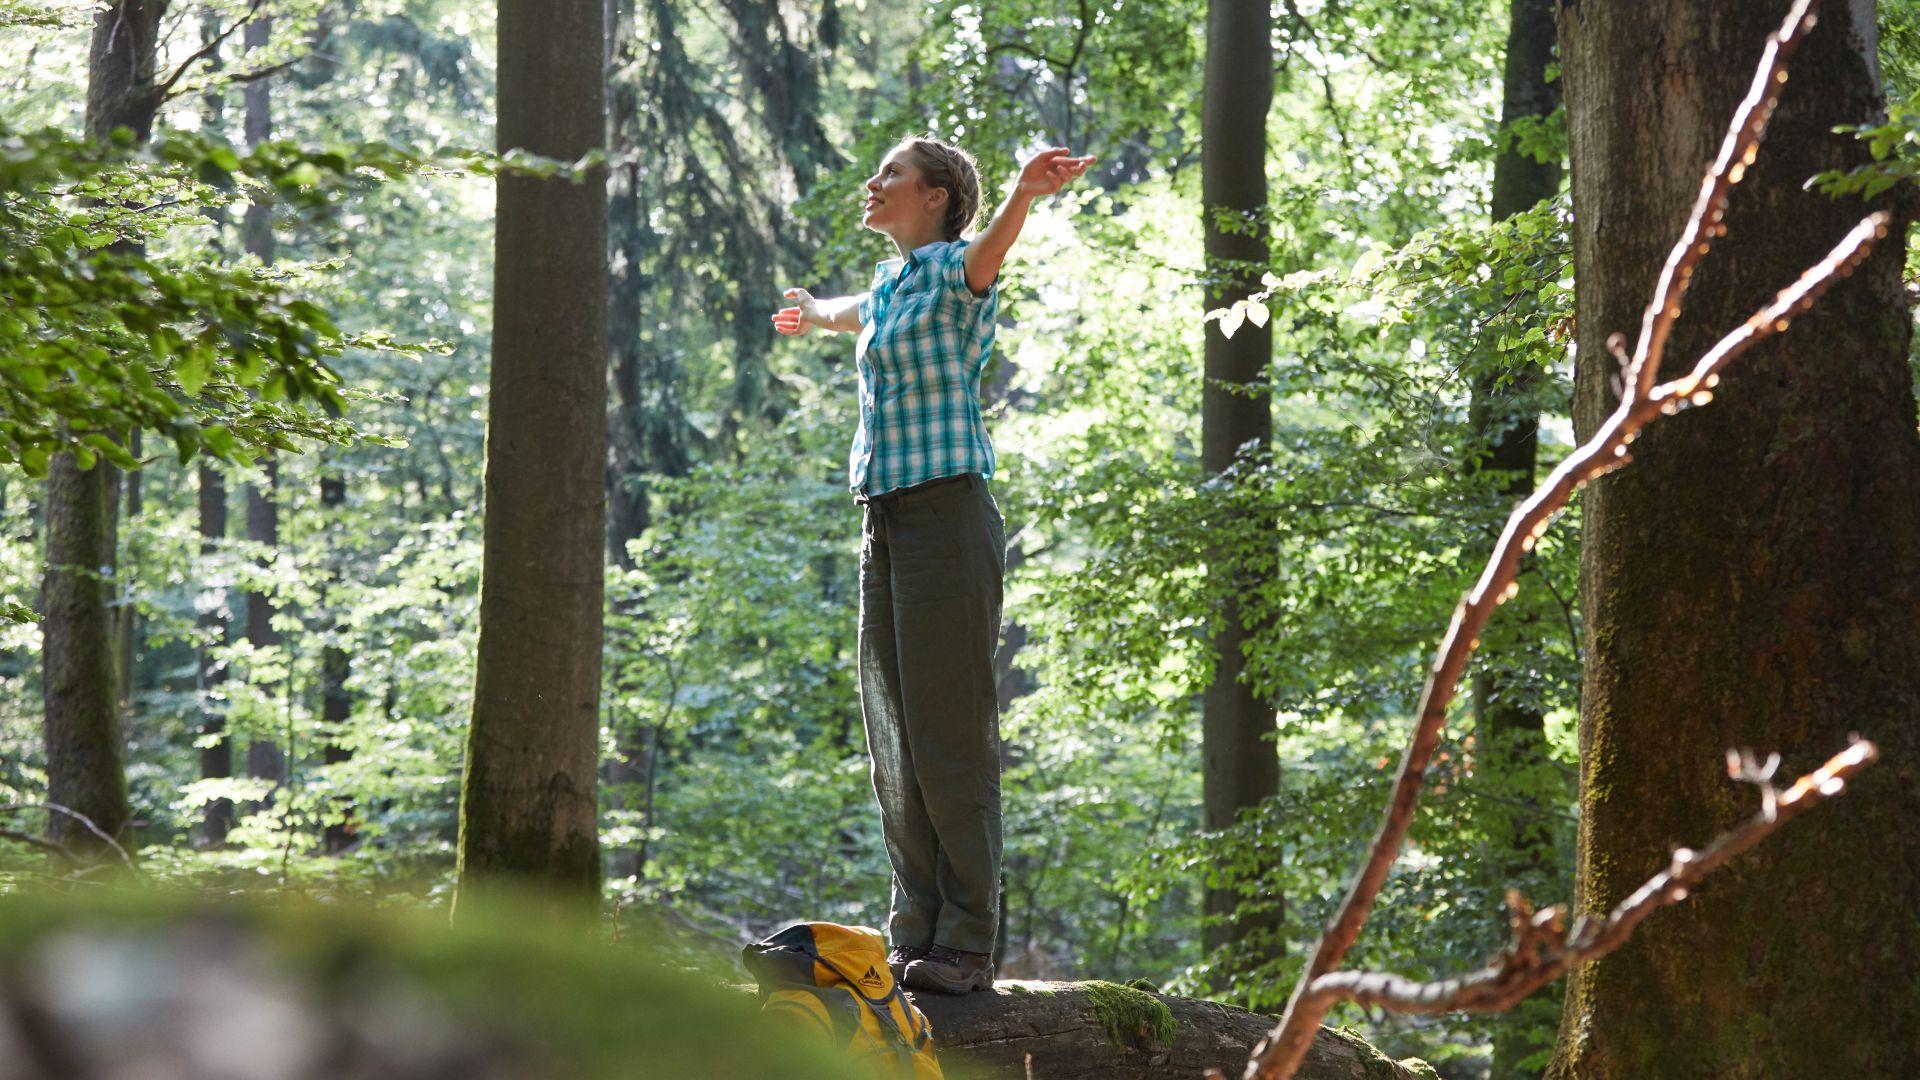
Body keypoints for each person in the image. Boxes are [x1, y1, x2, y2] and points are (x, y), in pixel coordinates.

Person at [771, 136, 1094, 993]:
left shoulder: (957, 270)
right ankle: (910, 928)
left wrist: (1024, 192)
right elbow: (849, 313)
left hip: (949, 520)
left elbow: (991, 254)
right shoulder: (889, 286)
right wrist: (809, 307)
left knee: (949, 735)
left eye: (894, 177)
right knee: (895, 735)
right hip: (884, 522)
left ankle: (965, 940)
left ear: (941, 196)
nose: (874, 186)